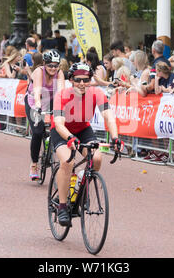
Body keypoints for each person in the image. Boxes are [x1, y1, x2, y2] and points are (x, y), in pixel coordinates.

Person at [51, 63, 124, 226]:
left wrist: (115, 137)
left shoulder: (97, 93)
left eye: (86, 80)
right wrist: (70, 137)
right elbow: (58, 123)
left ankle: (79, 183)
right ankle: (62, 206)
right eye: (78, 80)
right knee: (67, 161)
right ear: (71, 80)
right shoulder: (62, 95)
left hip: (83, 129)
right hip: (62, 131)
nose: (82, 83)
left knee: (96, 159)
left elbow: (109, 116)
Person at [25, 49, 65, 180]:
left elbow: (61, 93)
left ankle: (52, 148)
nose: (53, 68)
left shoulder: (59, 73)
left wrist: (62, 108)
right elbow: (37, 90)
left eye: (56, 65)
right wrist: (38, 106)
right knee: (37, 132)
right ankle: (34, 164)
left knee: (59, 126)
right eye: (50, 65)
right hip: (34, 101)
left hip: (51, 100)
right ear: (44, 64)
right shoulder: (38, 71)